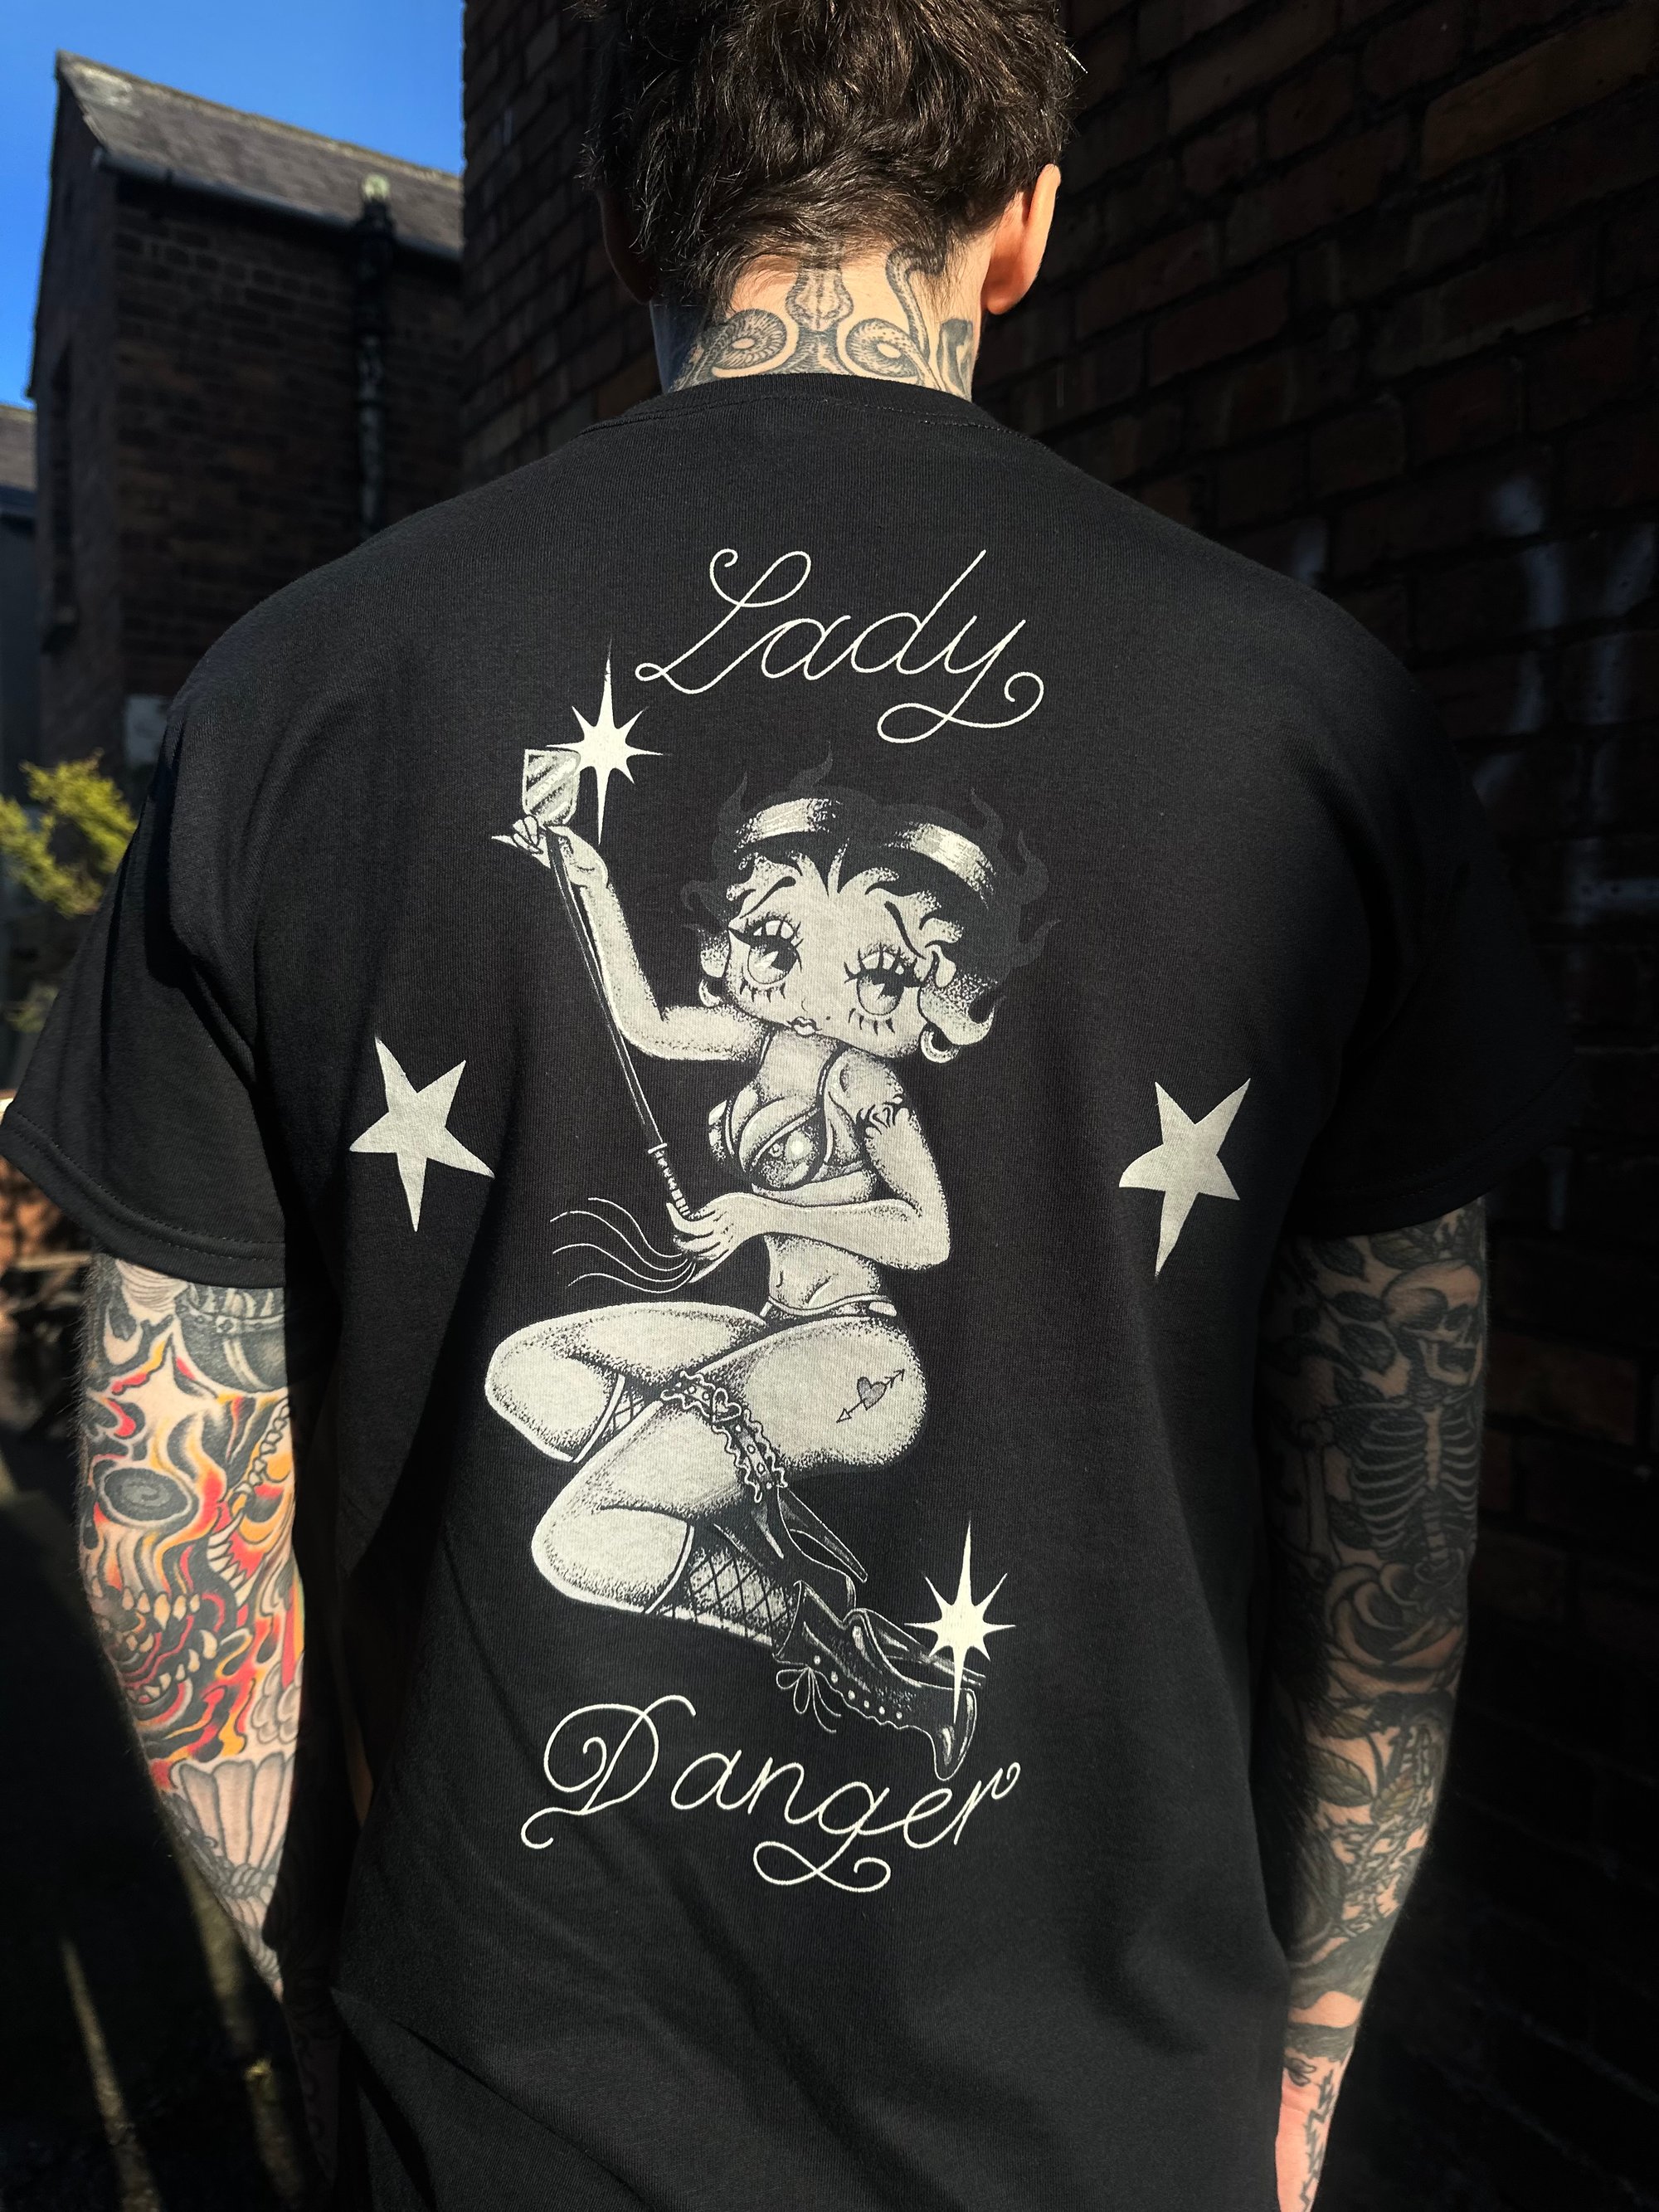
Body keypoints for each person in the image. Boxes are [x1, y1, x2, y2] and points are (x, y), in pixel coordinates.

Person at [2, 2, 1576, 2207]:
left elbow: (166, 1520)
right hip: (1113, 2133)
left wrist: (327, 1951)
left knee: (585, 1528)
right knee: (547, 1383)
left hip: (778, 1507)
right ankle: (822, 1619)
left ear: (623, 218)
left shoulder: (295, 698)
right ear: (1025, 224)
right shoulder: (1326, 727)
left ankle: (818, 1606)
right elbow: (1390, 1545)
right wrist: (1305, 2049)